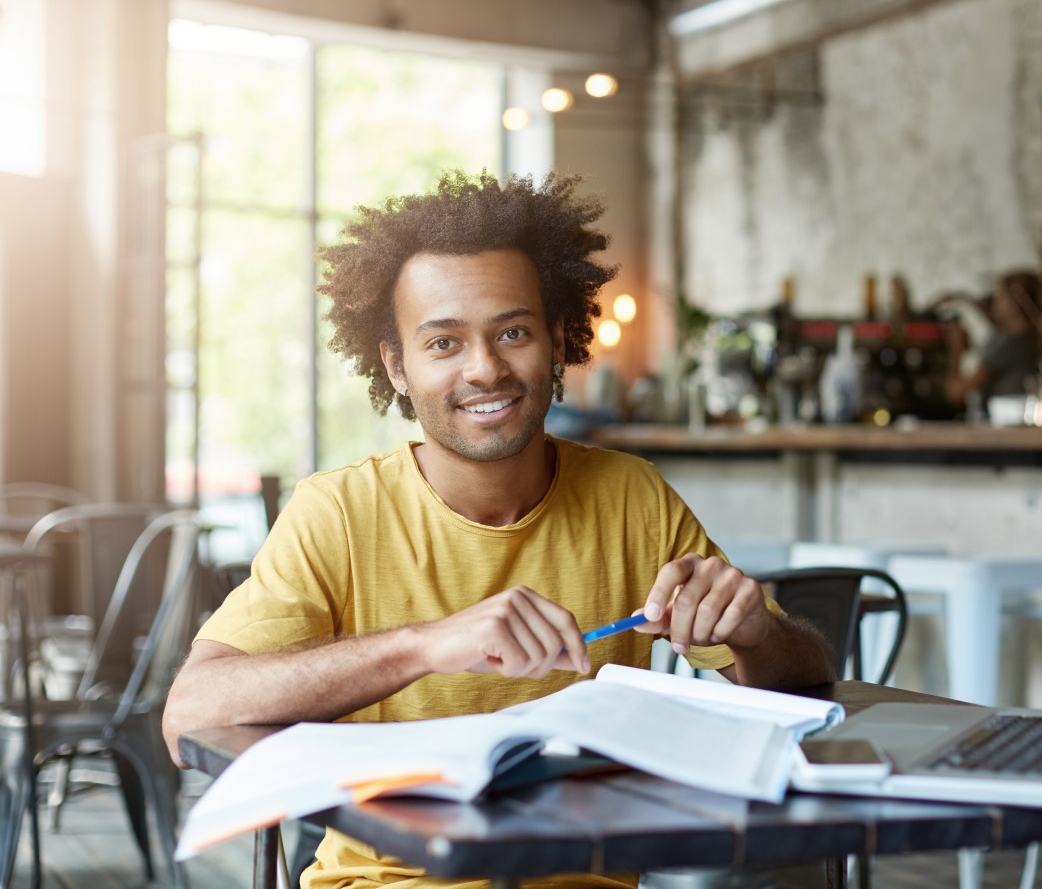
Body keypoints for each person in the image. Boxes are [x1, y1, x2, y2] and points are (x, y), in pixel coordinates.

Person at [162, 171, 837, 889]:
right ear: (396, 365)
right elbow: (189, 718)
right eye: (443, 343)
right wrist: (424, 645)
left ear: (557, 340)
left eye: (512, 333)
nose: (485, 368)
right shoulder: (339, 512)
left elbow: (807, 684)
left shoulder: (632, 496)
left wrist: (755, 634)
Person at [942, 270, 1042, 407]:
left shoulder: (1011, 343)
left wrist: (956, 351)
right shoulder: (1034, 338)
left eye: (999, 298)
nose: (994, 304)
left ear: (1011, 305)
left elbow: (955, 392)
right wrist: (964, 298)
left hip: (1007, 415)